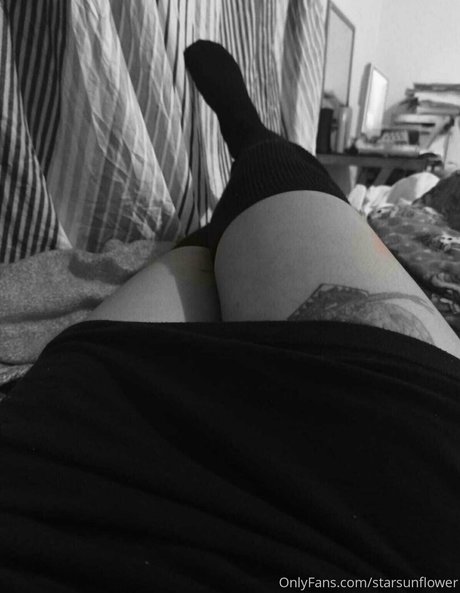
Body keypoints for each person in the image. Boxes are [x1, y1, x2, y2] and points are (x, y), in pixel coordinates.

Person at [1, 41, 460, 592]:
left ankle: (228, 201)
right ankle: (248, 140)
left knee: (194, 264)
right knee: (279, 181)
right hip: (389, 483)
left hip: (65, 466)